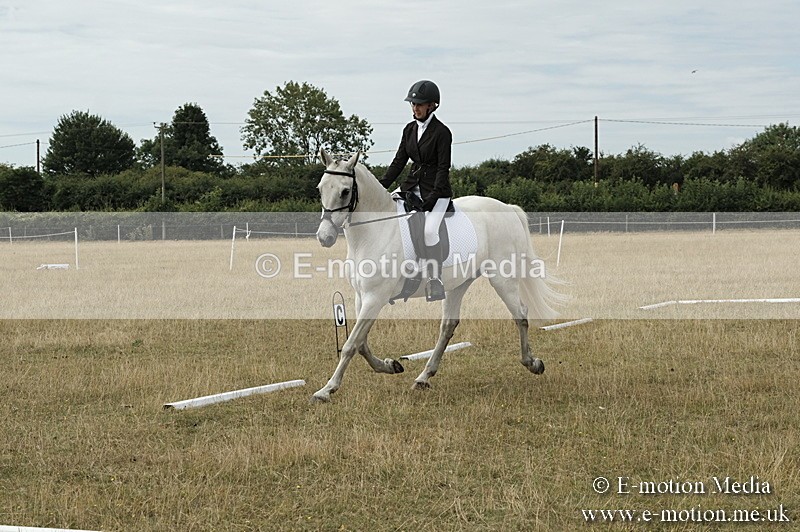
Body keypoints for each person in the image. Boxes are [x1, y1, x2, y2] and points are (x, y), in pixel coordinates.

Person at [380, 80, 453, 301]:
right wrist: (381, 186)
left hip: (437, 191)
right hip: (412, 186)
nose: (415, 108)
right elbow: (398, 162)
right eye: (413, 104)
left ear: (433, 105)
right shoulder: (409, 129)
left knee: (430, 230)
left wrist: (430, 200)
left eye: (420, 104)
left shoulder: (442, 133)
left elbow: (443, 169)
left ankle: (434, 280)